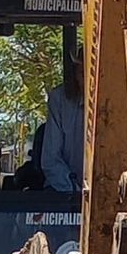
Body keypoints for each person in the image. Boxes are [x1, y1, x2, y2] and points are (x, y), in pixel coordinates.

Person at [41, 47, 85, 194]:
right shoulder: (59, 100)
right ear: (76, 74)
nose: (87, 80)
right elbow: (50, 160)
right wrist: (76, 191)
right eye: (82, 73)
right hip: (66, 195)